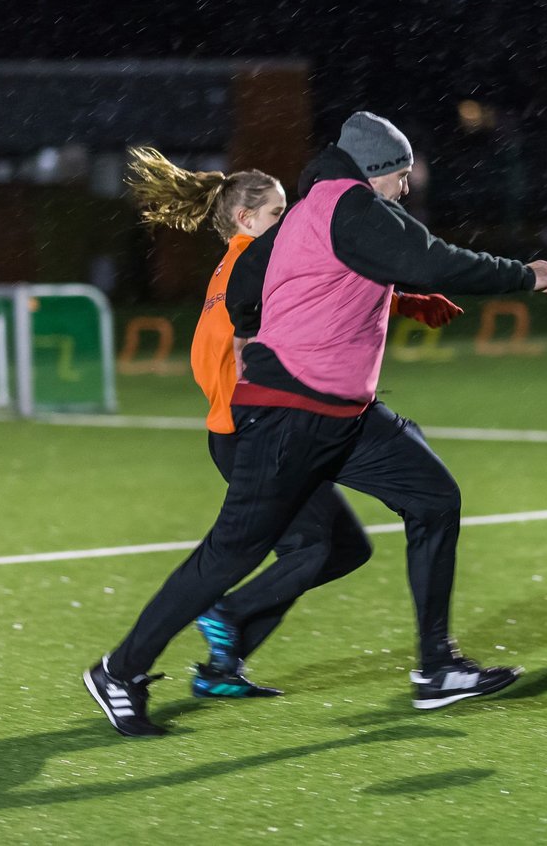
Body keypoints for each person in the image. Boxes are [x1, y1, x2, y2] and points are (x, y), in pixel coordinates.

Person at [85, 111, 547, 736]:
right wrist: (525, 275)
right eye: (401, 175)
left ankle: (437, 668)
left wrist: (268, 324)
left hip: (346, 417)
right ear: (378, 170)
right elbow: (432, 259)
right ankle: (121, 670)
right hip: (288, 417)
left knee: (434, 499)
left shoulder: (316, 209)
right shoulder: (351, 206)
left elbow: (257, 282)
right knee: (232, 553)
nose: (407, 188)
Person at [120, 147, 465, 701]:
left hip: (265, 429)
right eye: (279, 213)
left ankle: (221, 660)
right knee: (302, 552)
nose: (291, 221)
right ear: (245, 220)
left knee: (344, 548)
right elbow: (239, 336)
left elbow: (322, 293)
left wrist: (402, 304)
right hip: (257, 433)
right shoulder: (247, 268)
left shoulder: (250, 262)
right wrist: (248, 396)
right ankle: (214, 622)